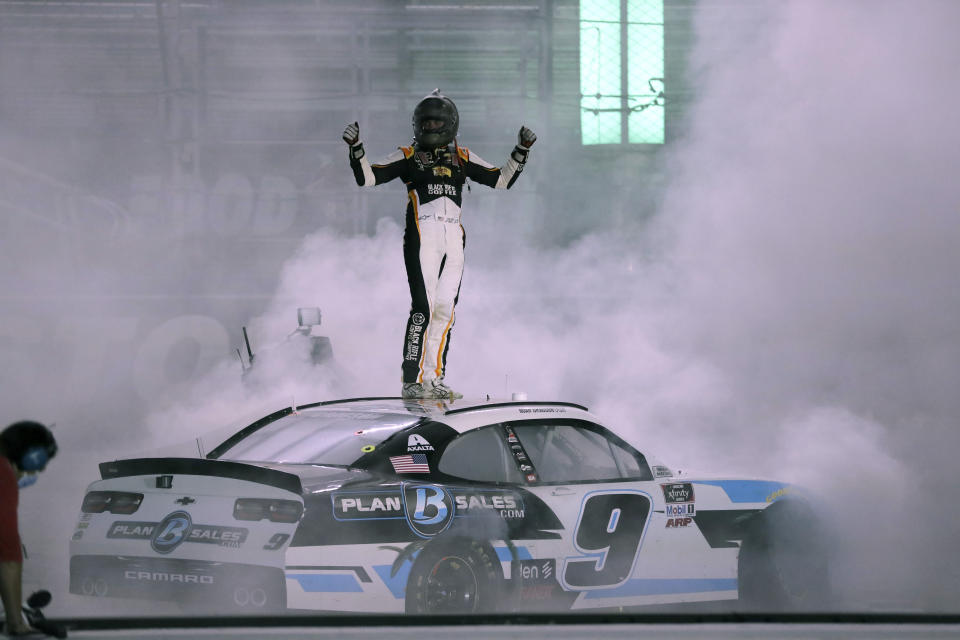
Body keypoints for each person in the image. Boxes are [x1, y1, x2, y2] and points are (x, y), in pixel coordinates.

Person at [343, 89, 536, 400]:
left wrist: (521, 150)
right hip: (423, 237)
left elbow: (501, 179)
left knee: (446, 311)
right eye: (426, 123)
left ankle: (434, 378)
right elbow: (368, 178)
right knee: (423, 309)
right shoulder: (406, 155)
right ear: (416, 125)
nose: (430, 128)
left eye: (436, 123)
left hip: (454, 240)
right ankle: (411, 380)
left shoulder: (463, 156)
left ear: (451, 124)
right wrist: (356, 149)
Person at [1, 421, 57, 637]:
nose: (41, 468)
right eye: (41, 460)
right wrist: (16, 624)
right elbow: (8, 556)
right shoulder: (3, 472)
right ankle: (15, 619)